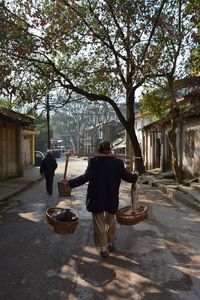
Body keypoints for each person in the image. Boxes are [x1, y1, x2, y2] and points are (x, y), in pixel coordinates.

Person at [68, 140, 137, 258]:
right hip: (111, 197)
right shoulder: (117, 163)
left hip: (96, 198)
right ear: (110, 150)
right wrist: (134, 177)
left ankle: (104, 248)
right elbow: (127, 177)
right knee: (111, 221)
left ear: (99, 150)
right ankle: (111, 243)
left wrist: (69, 183)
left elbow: (86, 177)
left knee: (99, 223)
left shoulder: (93, 161)